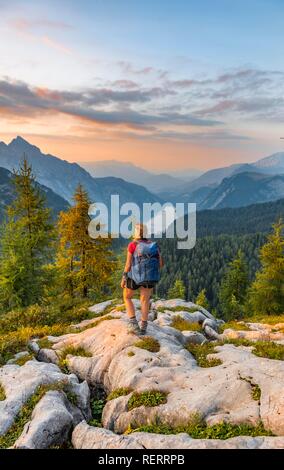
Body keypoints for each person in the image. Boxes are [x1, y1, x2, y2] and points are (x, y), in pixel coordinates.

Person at [121, 223, 163, 335]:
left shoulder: (132, 245)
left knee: (127, 297)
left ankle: (133, 323)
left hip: (134, 277)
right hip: (149, 277)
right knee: (145, 300)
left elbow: (128, 264)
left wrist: (124, 278)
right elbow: (160, 264)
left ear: (136, 233)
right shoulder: (154, 245)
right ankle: (144, 327)